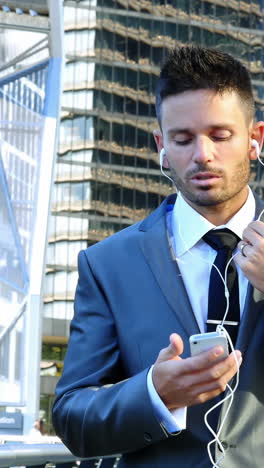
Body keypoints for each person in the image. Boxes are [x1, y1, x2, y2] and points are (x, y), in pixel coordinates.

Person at [52, 46, 264, 467]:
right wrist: (154, 395)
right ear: (160, 146)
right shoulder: (107, 264)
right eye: (182, 139)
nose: (202, 154)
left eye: (220, 136)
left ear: (255, 140)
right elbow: (72, 417)